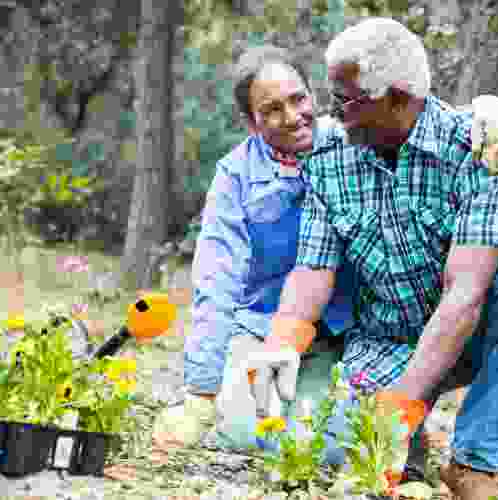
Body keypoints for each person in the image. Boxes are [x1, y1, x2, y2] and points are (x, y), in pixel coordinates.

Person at [242, 18, 498, 500]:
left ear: (397, 97)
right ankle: (410, 455)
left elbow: (465, 295)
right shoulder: (330, 155)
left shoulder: (481, 150)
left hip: (468, 334)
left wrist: (401, 405)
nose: (330, 114)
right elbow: (311, 274)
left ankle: (473, 461)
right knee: (340, 456)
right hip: (385, 342)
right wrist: (270, 378)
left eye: (345, 100)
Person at [150, 45, 359, 449]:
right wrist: (201, 392)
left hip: (340, 331)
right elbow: (216, 281)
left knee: (328, 439)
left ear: (312, 94)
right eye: (272, 109)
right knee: (247, 434)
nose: (293, 117)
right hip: (264, 329)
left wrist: (490, 116)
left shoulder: (352, 142)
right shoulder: (234, 177)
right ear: (251, 122)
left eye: (298, 99)